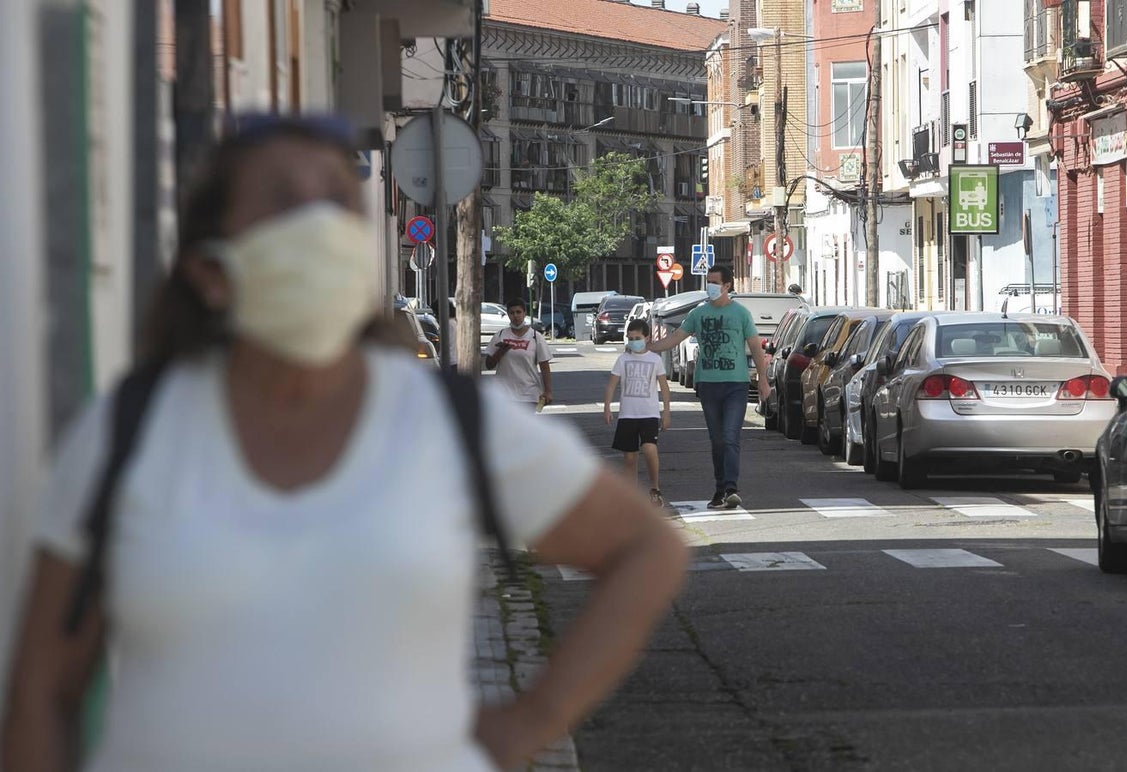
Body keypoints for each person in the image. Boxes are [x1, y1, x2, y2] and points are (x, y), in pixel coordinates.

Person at [1, 116, 688, 772]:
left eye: (336, 201)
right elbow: (40, 693)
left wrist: (531, 719)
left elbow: (645, 548)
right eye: (282, 204)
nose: (317, 225)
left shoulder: (446, 424)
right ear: (210, 269)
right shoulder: (132, 432)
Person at [647, 265, 767, 510]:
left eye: (714, 282)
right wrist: (648, 347)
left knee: (731, 436)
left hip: (736, 384)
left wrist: (763, 379)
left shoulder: (741, 314)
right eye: (708, 281)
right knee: (717, 440)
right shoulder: (698, 313)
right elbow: (675, 338)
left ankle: (732, 488)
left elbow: (755, 347)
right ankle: (720, 488)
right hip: (709, 384)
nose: (709, 286)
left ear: (727, 286)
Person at [603, 320, 671, 507]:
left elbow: (664, 387)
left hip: (649, 413)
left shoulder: (655, 359)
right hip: (627, 414)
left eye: (637, 338)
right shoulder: (623, 360)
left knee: (649, 448)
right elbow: (611, 384)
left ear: (647, 338)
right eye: (630, 338)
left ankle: (654, 488)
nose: (634, 342)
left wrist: (666, 411)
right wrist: (607, 407)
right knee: (630, 457)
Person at [484, 299, 552, 409]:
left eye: (518, 312)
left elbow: (544, 366)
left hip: (529, 394)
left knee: (525, 426)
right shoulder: (500, 335)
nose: (515, 316)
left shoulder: (535, 337)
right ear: (508, 315)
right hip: (504, 395)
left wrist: (548, 391)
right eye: (512, 313)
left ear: (525, 313)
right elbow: (488, 365)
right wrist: (500, 352)